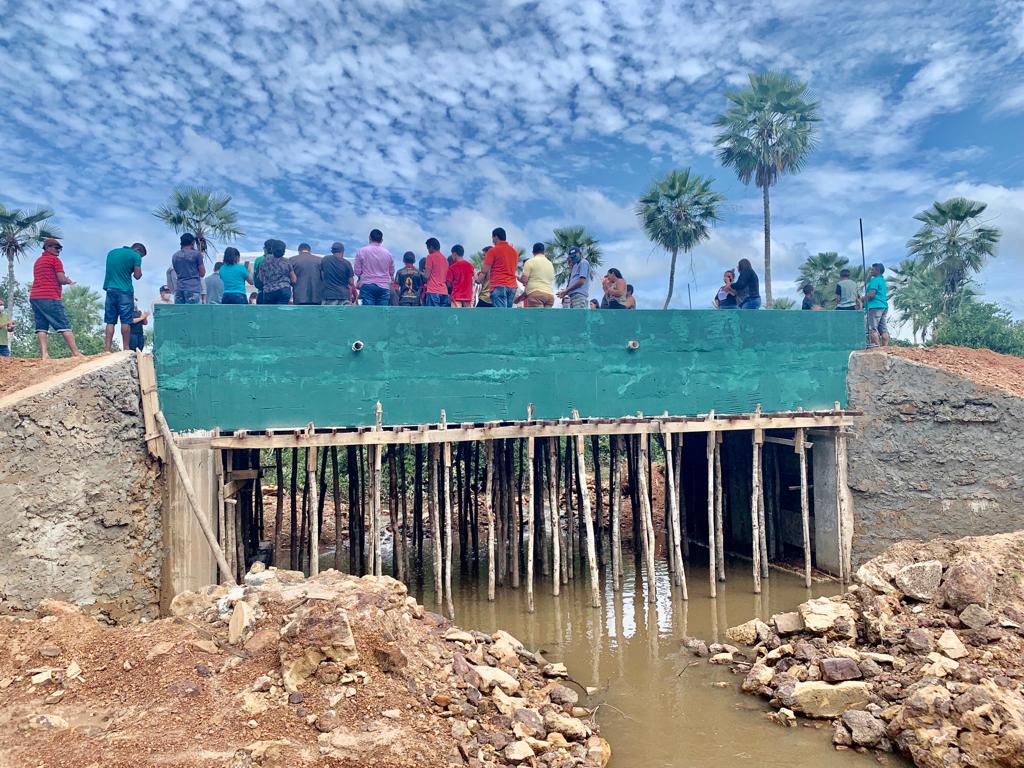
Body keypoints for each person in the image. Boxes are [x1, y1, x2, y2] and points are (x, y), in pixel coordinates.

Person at [30, 238, 81, 358]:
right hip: (49, 296)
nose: (58, 251)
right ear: (47, 248)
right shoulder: (55, 260)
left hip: (35, 297)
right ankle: (76, 353)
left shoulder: (38, 261)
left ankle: (44, 355)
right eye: (56, 248)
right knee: (64, 324)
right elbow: (61, 279)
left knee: (41, 326)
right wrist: (68, 281)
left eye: (60, 249)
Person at [102, 242, 146, 353]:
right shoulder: (135, 255)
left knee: (110, 321)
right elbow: (137, 276)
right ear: (138, 250)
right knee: (126, 320)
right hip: (125, 291)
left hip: (110, 289)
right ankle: (126, 349)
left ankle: (107, 349)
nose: (140, 258)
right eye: (141, 256)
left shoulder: (112, 253)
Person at [479, 228, 518, 308]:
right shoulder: (514, 252)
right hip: (512, 286)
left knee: (501, 313)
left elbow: (484, 270)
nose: (492, 240)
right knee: (508, 313)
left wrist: (478, 280)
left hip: (499, 285)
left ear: (496, 237)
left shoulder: (493, 250)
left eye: (492, 237)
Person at [355, 229, 394, 306]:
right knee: (382, 312)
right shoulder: (388, 254)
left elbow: (357, 271)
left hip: (367, 285)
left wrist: (361, 276)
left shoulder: (362, 251)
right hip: (384, 286)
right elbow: (391, 272)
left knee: (369, 312)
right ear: (381, 240)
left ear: (369, 238)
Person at [257, 240, 295, 304]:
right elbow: (293, 279)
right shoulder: (287, 262)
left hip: (268, 291)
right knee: (281, 309)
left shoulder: (264, 262)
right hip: (284, 290)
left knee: (269, 310)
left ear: (272, 249)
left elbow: (260, 278)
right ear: (284, 251)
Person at [171, 233, 205, 304]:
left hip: (179, 289)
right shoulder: (197, 254)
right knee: (193, 311)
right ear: (193, 242)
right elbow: (202, 273)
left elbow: (177, 272)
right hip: (193, 288)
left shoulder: (175, 256)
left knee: (180, 311)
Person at [519, 242, 555, 308]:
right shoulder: (550, 264)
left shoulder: (530, 262)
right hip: (550, 295)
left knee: (537, 315)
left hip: (536, 295)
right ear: (543, 252)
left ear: (533, 252)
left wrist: (518, 278)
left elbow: (524, 280)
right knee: (546, 315)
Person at [865, 262, 889, 348]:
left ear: (877, 270)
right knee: (883, 329)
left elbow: (871, 294)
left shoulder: (875, 280)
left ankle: (876, 347)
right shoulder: (882, 281)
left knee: (872, 328)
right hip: (883, 306)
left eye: (872, 270)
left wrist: (862, 299)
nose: (870, 271)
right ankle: (885, 348)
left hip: (875, 307)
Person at [423, 237, 450, 307]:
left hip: (433, 291)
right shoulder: (445, 260)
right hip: (444, 292)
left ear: (431, 247)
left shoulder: (430, 257)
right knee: (443, 314)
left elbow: (426, 276)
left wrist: (422, 273)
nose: (428, 251)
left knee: (432, 314)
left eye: (428, 248)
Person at [253, 239, 272, 304]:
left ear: (266, 249)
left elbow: (255, 276)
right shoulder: (280, 260)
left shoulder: (259, 260)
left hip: (261, 290)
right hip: (275, 291)